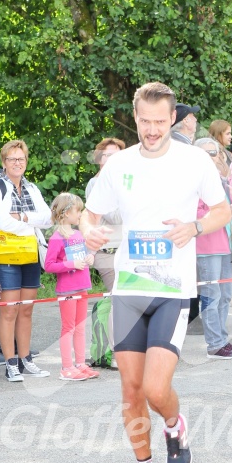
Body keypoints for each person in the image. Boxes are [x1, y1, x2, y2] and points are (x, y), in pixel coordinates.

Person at [80, 81, 231, 463]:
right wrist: (90, 233)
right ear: (135, 118)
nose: (151, 129)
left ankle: (174, 426)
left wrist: (195, 226)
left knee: (155, 389)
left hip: (172, 288)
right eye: (144, 122)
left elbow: (222, 212)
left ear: (172, 119)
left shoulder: (194, 161)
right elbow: (88, 215)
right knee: (129, 389)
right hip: (130, 288)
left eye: (160, 122)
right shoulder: (119, 165)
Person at [0, 140, 51, 382]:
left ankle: (25, 359)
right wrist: (30, 222)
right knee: (10, 310)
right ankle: (10, 364)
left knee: (27, 309)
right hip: (6, 255)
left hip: (30, 252)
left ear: (26, 162)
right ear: (4, 162)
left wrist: (20, 216)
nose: (17, 163)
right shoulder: (0, 186)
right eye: (12, 159)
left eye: (21, 159)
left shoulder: (32, 188)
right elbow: (1, 222)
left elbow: (48, 218)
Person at [194, 137, 232, 359]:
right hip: (207, 246)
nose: (210, 157)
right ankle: (214, 344)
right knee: (211, 295)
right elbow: (192, 215)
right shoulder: (192, 182)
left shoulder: (220, 179)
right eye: (204, 153)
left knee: (226, 294)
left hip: (227, 243)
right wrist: (220, 212)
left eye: (213, 152)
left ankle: (221, 339)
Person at [44, 193, 99, 381]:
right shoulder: (56, 238)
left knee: (81, 327)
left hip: (82, 287)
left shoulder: (78, 234)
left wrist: (90, 257)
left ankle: (81, 364)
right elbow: (49, 265)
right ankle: (66, 367)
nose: (80, 214)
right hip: (67, 290)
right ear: (66, 213)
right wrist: (70, 265)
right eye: (78, 210)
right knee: (68, 328)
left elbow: (85, 254)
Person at [86, 137, 125, 368]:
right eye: (108, 155)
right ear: (100, 159)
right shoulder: (96, 183)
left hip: (127, 250)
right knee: (117, 299)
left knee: (127, 300)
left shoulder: (124, 181)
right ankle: (116, 354)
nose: (112, 160)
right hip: (107, 251)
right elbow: (116, 216)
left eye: (117, 155)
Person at [170, 102, 203, 335]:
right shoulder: (181, 148)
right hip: (183, 220)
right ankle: (179, 322)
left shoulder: (184, 145)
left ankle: (187, 318)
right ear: (185, 121)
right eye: (193, 116)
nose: (196, 120)